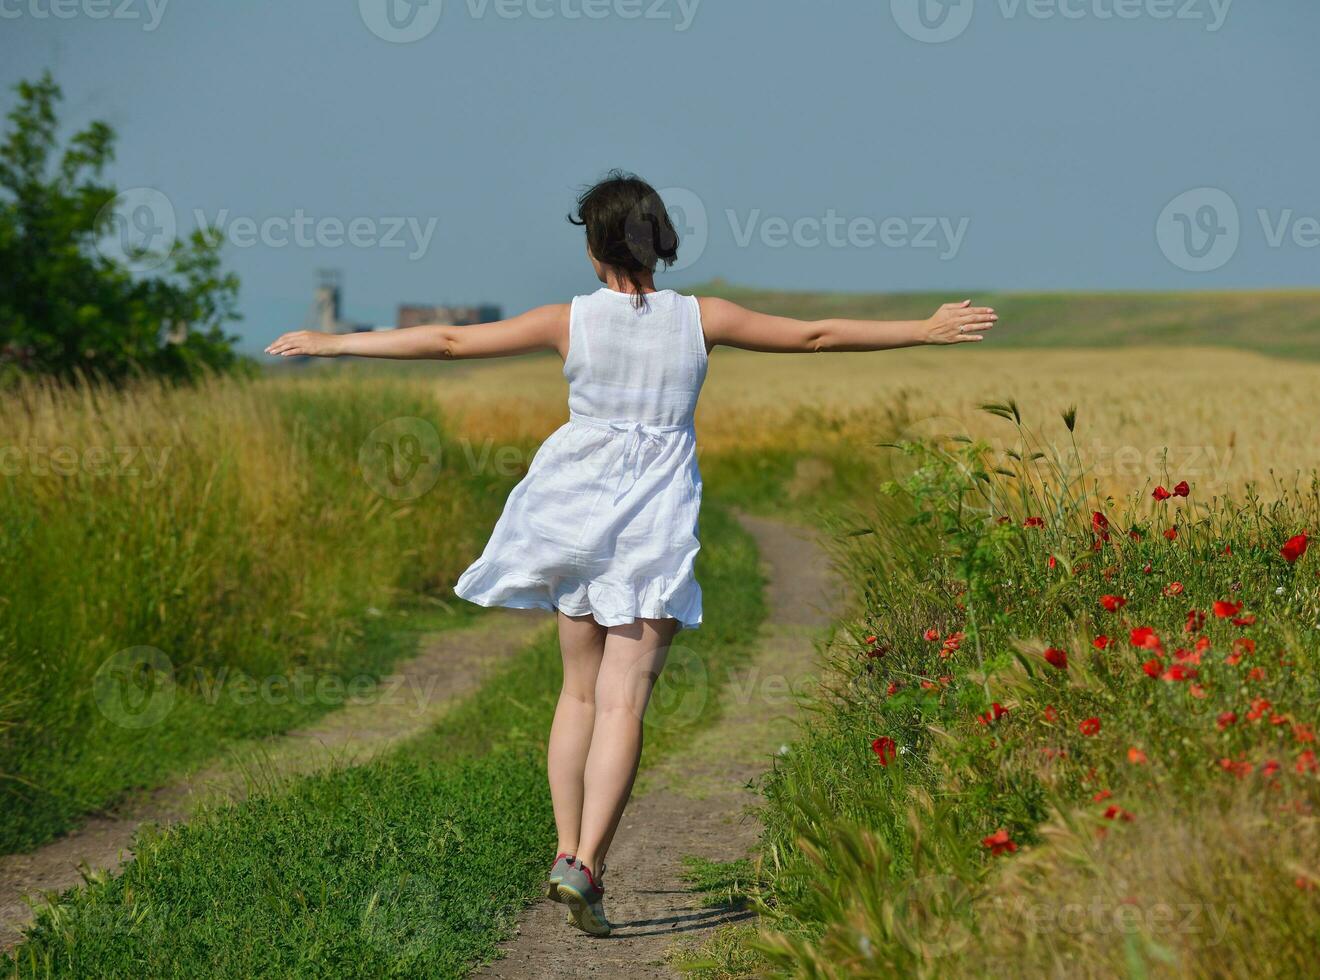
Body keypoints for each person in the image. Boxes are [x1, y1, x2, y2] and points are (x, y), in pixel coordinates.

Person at [265, 170, 998, 936]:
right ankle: (587, 864)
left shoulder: (569, 320)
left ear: (593, 247)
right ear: (662, 239)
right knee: (624, 698)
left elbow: (449, 342)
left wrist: (334, 343)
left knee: (576, 691)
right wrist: (922, 327)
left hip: (571, 508)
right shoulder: (701, 317)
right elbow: (814, 336)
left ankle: (563, 851)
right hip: (652, 519)